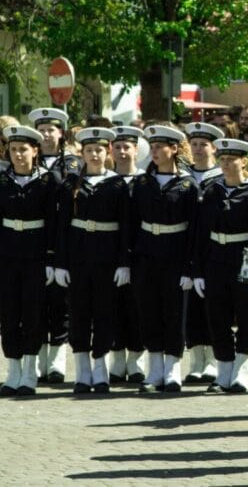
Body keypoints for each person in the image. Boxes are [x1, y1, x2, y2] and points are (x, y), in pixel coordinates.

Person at [55, 127, 131, 394]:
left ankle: (100, 370)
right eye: (89, 150)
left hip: (107, 259)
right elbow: (61, 227)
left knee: (104, 314)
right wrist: (61, 263)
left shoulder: (118, 184)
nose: (94, 154)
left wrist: (124, 262)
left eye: (99, 150)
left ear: (107, 151)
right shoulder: (71, 184)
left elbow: (125, 227)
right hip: (78, 258)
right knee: (78, 313)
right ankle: (82, 372)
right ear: (82, 153)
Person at [192, 138, 248, 393]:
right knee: (218, 318)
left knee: (246, 318)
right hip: (216, 260)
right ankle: (223, 373)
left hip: (243, 259)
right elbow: (201, 234)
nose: (225, 165)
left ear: (243, 161)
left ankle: (242, 373)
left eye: (231, 160)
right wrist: (198, 271)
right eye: (222, 160)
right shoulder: (213, 191)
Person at [131, 124, 197, 394]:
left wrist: (190, 267)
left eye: (160, 147)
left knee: (174, 312)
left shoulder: (187, 185)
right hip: (147, 254)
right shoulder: (143, 183)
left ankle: (172, 369)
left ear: (173, 149)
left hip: (175, 254)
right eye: (153, 147)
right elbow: (132, 222)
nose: (155, 151)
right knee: (149, 311)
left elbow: (194, 229)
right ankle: (154, 369)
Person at [0, 125, 59, 396]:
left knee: (33, 312)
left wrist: (50, 258)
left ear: (35, 151)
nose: (18, 155)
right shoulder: (2, 180)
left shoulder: (48, 181)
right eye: (13, 150)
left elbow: (54, 222)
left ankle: (30, 373)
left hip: (35, 254)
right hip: (8, 253)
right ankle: (12, 372)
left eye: (23, 149)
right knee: (9, 312)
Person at [28, 107, 81, 385]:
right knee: (36, 302)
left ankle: (57, 359)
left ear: (61, 133)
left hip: (63, 238)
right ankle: (37, 359)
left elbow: (67, 190)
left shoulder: (71, 163)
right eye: (43, 130)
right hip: (34, 240)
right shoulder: (27, 161)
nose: (47, 135)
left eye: (52, 129)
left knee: (60, 302)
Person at [182, 122, 225, 385]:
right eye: (194, 144)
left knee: (212, 307)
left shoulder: (220, 178)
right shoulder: (183, 176)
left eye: (203, 145)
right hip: (184, 248)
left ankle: (211, 361)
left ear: (213, 148)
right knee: (191, 310)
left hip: (212, 250)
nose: (197, 150)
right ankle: (196, 361)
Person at [108, 125, 148, 383]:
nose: (122, 152)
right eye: (118, 147)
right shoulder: (106, 179)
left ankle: (136, 359)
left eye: (127, 147)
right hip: (110, 252)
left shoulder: (146, 180)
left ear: (136, 149)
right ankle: (117, 359)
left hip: (141, 253)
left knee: (138, 307)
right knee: (112, 306)